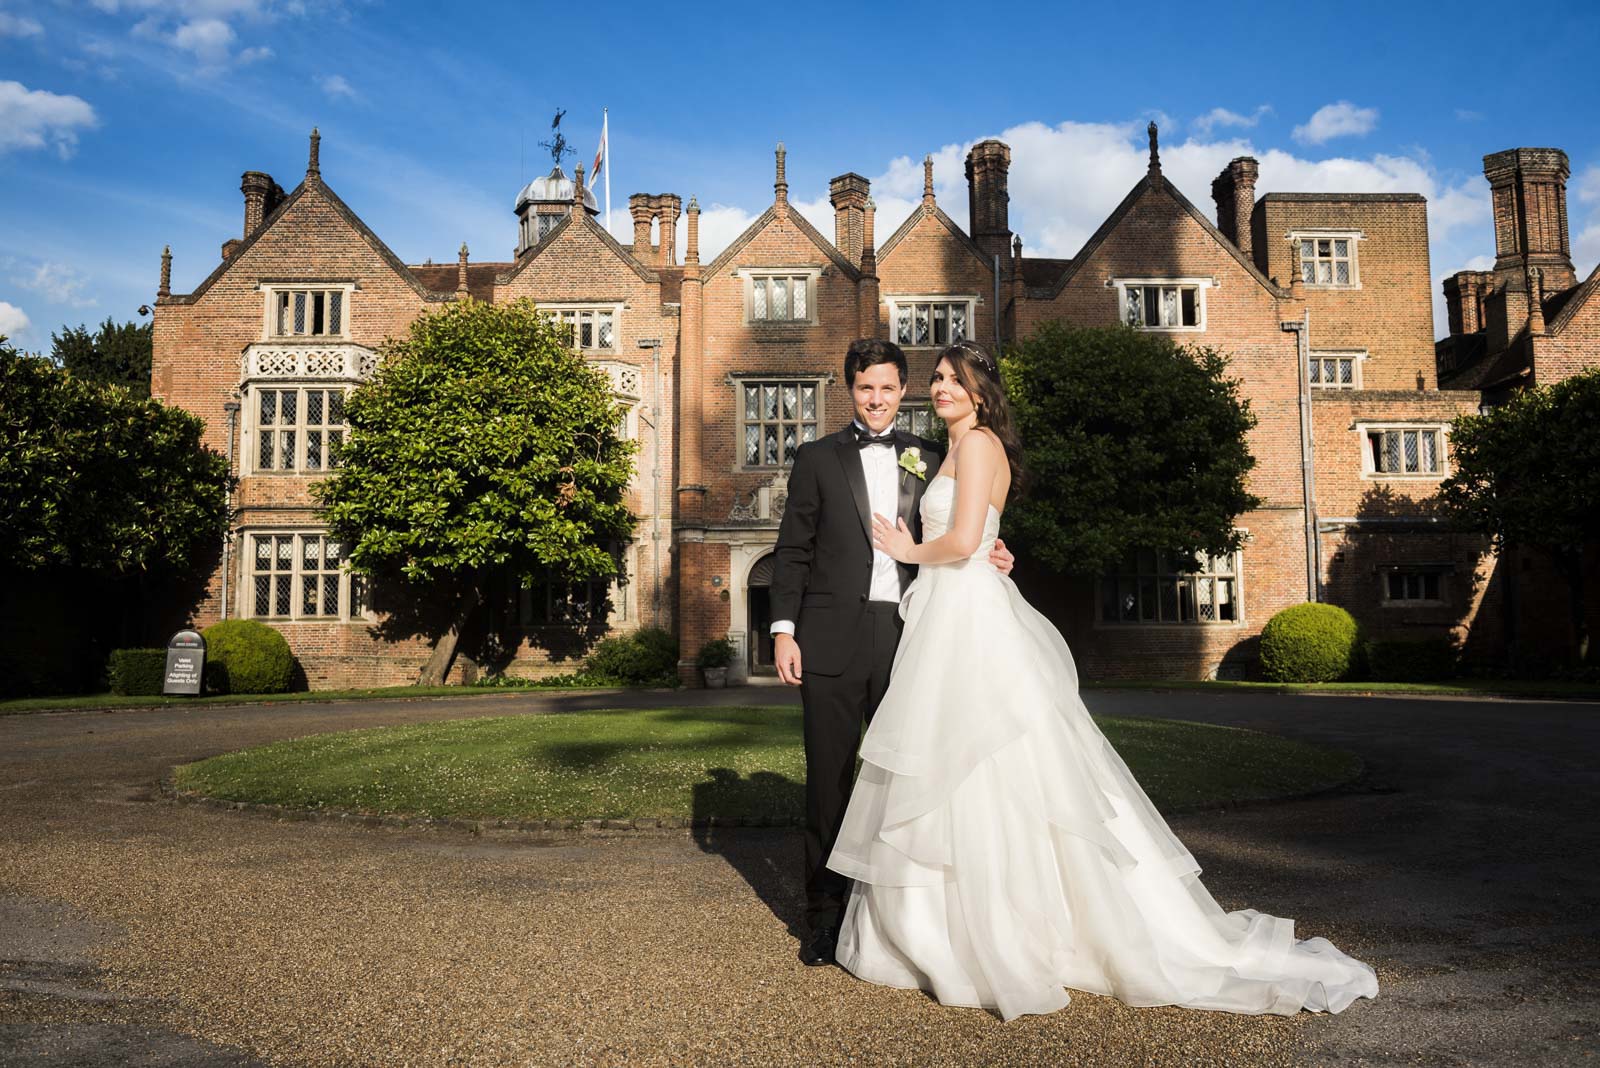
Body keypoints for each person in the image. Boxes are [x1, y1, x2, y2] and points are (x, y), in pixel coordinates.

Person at [827, 340, 1380, 1021]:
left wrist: (909, 548)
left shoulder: (974, 448)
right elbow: (985, 536)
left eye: (956, 380)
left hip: (964, 615)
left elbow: (965, 538)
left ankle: (980, 932)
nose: (941, 388)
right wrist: (985, 549)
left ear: (981, 392)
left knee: (974, 757)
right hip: (957, 607)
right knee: (971, 759)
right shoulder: (965, 449)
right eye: (938, 378)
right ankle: (956, 923)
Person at [768, 338, 1014, 968]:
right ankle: (823, 919)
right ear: (849, 390)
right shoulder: (816, 458)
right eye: (864, 388)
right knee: (830, 781)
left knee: (909, 780)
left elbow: (964, 524)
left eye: (886, 388)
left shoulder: (937, 453)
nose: (876, 400)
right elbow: (792, 550)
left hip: (913, 636)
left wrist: (996, 551)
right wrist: (783, 630)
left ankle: (888, 916)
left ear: (902, 392)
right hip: (827, 639)